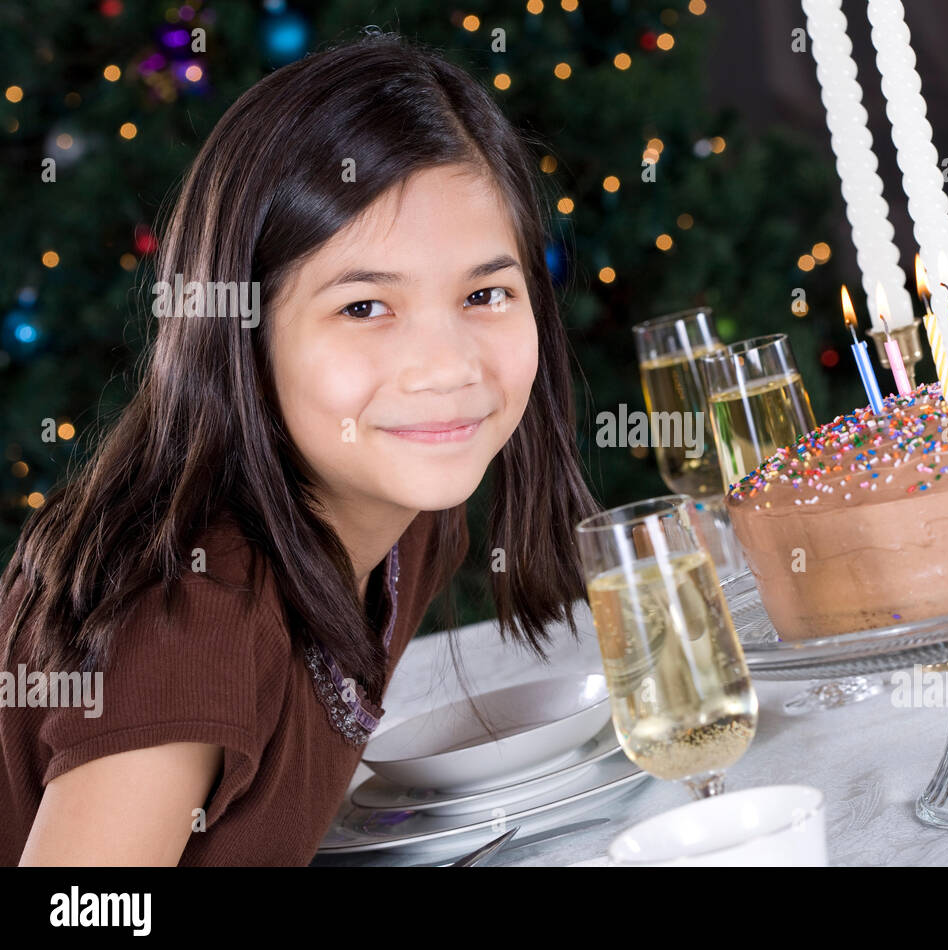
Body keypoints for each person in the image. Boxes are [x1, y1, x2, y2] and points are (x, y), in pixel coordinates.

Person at [0, 31, 598, 865]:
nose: (447, 368)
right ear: (242, 335)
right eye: (363, 307)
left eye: (485, 293)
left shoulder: (407, 519)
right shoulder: (193, 620)